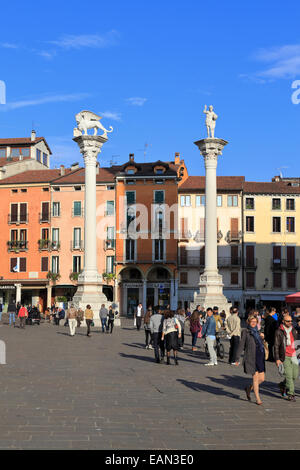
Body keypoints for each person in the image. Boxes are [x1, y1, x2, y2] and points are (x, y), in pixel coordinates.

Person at [236, 314, 265, 405]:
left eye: (255, 322)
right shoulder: (245, 332)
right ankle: (257, 398)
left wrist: (262, 338)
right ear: (248, 322)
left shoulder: (258, 332)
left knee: (262, 379)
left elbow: (260, 344)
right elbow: (241, 345)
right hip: (251, 357)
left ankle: (249, 388)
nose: (253, 323)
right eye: (252, 321)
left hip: (260, 356)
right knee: (255, 378)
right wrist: (237, 358)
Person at [274, 315, 299, 402]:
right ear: (283, 321)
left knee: (295, 375)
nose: (290, 322)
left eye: (291, 321)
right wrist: (277, 359)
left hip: (294, 356)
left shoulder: (294, 331)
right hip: (285, 356)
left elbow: (297, 343)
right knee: (288, 375)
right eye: (288, 321)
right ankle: (291, 394)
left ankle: (282, 385)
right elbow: (276, 346)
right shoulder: (279, 331)